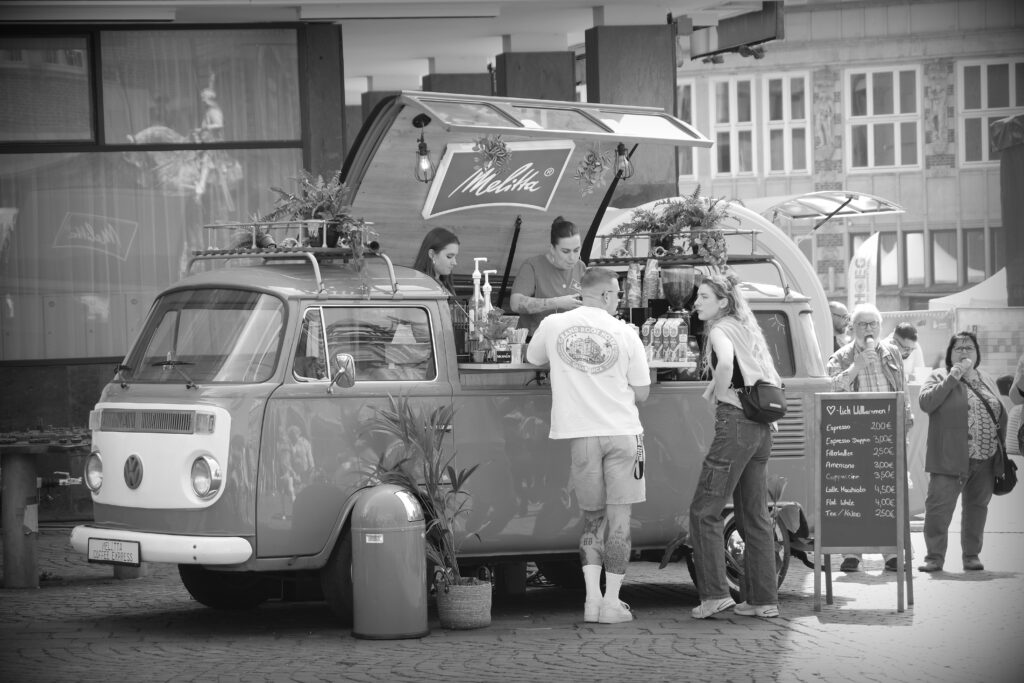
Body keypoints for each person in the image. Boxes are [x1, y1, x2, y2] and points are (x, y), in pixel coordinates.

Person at [526, 267, 650, 624]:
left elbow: (533, 359)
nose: (619, 300)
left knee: (592, 520)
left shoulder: (553, 324)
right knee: (620, 521)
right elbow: (641, 392)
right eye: (618, 295)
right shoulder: (626, 333)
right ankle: (613, 603)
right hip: (624, 432)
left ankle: (592, 601)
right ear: (608, 296)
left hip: (580, 434)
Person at [688, 271, 783, 619]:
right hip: (761, 430)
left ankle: (714, 595)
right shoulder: (746, 328)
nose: (697, 302)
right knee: (754, 516)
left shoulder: (718, 330)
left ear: (723, 302)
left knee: (704, 511)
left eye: (704, 297)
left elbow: (726, 363)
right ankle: (763, 600)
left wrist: (716, 391)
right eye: (698, 297)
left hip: (736, 425)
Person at [827, 303, 912, 573]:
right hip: (852, 435)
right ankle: (852, 553)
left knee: (886, 496)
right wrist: (856, 366)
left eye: (873, 324)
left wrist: (906, 421)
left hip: (886, 432)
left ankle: (891, 554)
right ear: (853, 328)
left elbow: (902, 389)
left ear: (880, 327)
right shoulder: (841, 356)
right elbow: (830, 390)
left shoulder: (893, 354)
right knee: (855, 495)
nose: (869, 329)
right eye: (863, 324)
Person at [917, 331, 1007, 572]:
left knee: (977, 508)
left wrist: (1000, 453)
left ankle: (971, 555)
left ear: (977, 354)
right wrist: (953, 376)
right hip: (949, 459)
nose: (964, 351)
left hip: (986, 458)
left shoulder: (987, 379)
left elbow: (999, 413)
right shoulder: (939, 376)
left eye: (969, 348)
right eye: (958, 348)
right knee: (938, 509)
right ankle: (934, 558)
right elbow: (926, 403)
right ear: (950, 354)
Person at [511, 216, 585, 336]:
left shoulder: (581, 267)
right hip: (535, 340)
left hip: (570, 341)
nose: (572, 258)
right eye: (565, 251)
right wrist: (557, 302)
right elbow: (515, 303)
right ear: (552, 249)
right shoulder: (532, 266)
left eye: (576, 250)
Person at [412, 227, 460, 294]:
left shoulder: (443, 282)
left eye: (455, 257)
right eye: (449, 256)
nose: (455, 262)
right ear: (432, 254)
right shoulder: (423, 288)